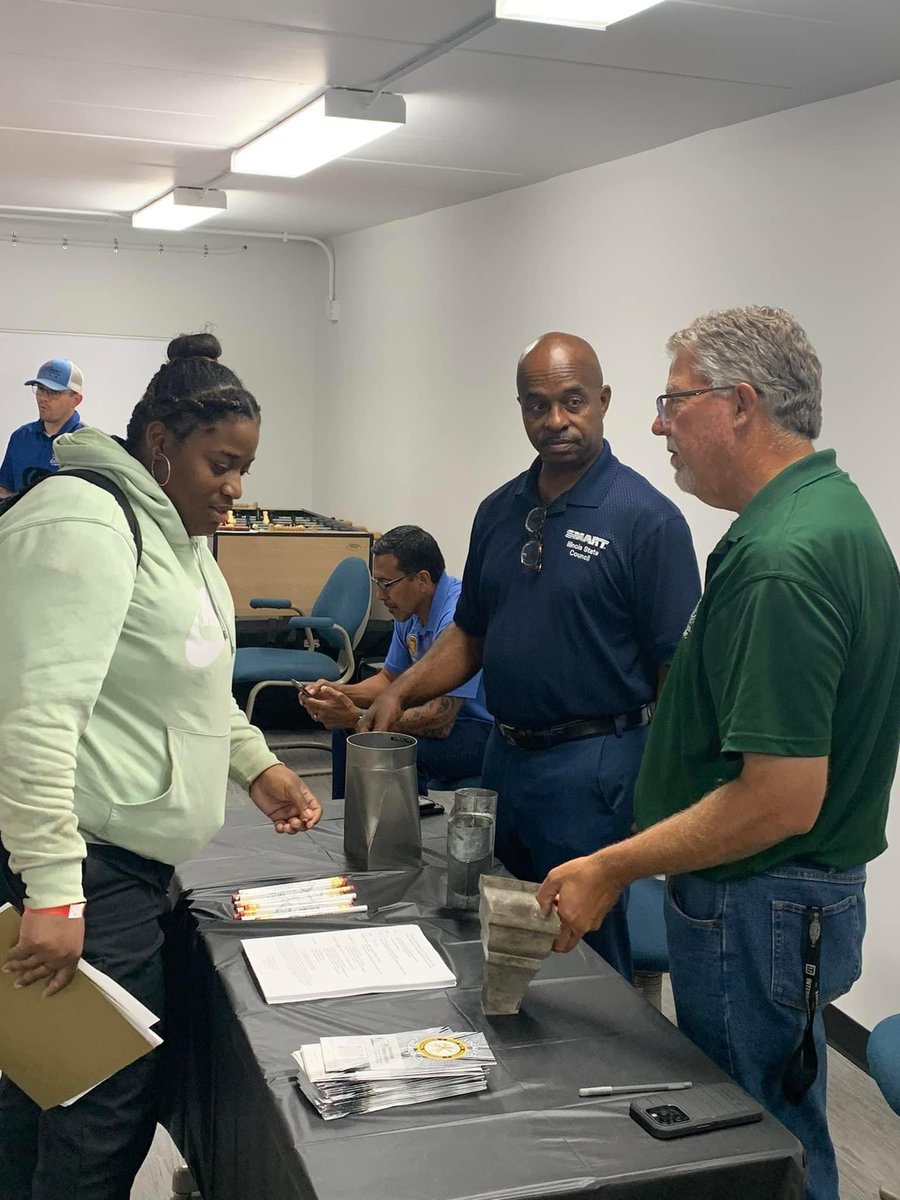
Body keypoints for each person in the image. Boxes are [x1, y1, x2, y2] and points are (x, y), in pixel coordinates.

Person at [536, 306, 900, 1200]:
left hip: (760, 900)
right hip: (786, 901)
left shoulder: (785, 557)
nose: (658, 424)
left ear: (738, 405)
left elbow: (778, 799)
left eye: (674, 400)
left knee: (750, 1145)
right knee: (780, 1124)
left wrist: (612, 866)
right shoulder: (830, 513)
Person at [0, 332, 322, 1200]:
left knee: (55, 1096)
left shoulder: (171, 534)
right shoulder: (87, 522)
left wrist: (254, 762)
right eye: (223, 463)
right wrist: (55, 890)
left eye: (245, 467)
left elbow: (186, 678)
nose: (236, 488)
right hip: (86, 874)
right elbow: (31, 721)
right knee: (96, 1120)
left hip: (127, 873)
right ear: (159, 447)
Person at [360, 332, 700, 977]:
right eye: (536, 405)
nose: (555, 421)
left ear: (603, 401)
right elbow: (471, 633)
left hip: (594, 770)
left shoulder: (647, 521)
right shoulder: (498, 511)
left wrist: (660, 796)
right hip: (504, 763)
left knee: (588, 955)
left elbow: (676, 676)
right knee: (497, 926)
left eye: (573, 401)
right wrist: (400, 691)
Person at [300, 525, 492, 797]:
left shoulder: (457, 616)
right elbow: (389, 680)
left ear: (422, 580)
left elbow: (441, 719)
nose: (380, 595)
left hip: (479, 731)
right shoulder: (409, 610)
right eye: (377, 583)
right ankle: (347, 821)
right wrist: (337, 692)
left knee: (389, 747)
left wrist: (357, 716)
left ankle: (403, 833)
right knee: (347, 733)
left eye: (386, 584)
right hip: (449, 722)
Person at [0, 358, 85, 497]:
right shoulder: (21, 437)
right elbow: (5, 488)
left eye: (53, 392)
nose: (43, 398)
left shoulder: (85, 442)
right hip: (21, 518)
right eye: (41, 389)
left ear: (76, 400)